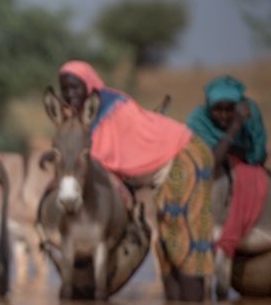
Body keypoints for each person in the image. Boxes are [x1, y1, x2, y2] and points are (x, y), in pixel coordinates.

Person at [57, 60, 213, 301]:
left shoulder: (106, 113)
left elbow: (98, 161)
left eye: (75, 87)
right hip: (169, 164)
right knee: (166, 247)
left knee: (183, 242)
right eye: (64, 88)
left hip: (184, 155)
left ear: (89, 86)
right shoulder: (92, 115)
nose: (69, 94)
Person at [186, 76, 267, 259]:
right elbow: (210, 162)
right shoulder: (198, 121)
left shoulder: (250, 114)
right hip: (206, 177)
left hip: (247, 175)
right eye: (218, 109)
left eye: (229, 109)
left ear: (238, 106)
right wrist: (234, 126)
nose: (223, 115)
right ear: (208, 107)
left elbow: (258, 155)